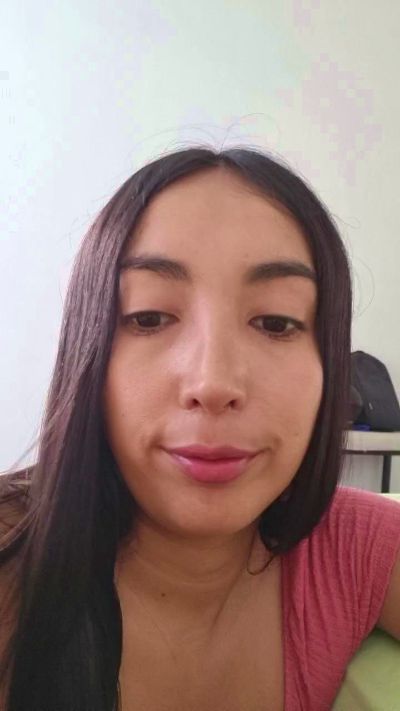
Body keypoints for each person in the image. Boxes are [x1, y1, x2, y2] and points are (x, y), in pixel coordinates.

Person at [0, 146, 399, 711]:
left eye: (276, 322)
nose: (213, 383)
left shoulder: (355, 549)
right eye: (149, 317)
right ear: (88, 350)